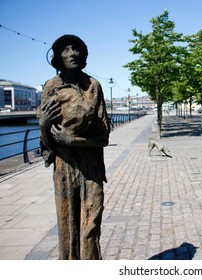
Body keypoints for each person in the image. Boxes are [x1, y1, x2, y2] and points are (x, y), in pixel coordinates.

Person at [37, 34, 110, 259]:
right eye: (66, 50)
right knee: (68, 227)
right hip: (64, 167)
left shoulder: (93, 86)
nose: (73, 54)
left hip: (91, 167)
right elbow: (47, 143)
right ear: (58, 57)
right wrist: (42, 126)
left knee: (90, 227)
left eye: (77, 49)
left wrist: (74, 141)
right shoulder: (51, 86)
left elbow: (104, 137)